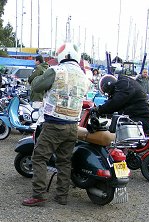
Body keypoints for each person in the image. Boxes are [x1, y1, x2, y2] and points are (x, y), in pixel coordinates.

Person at [22, 42, 90, 206]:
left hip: (54, 123)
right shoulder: (83, 75)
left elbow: (37, 85)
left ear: (62, 55)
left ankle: (38, 195)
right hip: (73, 124)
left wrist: (41, 74)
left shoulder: (56, 71)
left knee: (39, 157)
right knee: (64, 161)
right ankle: (62, 196)